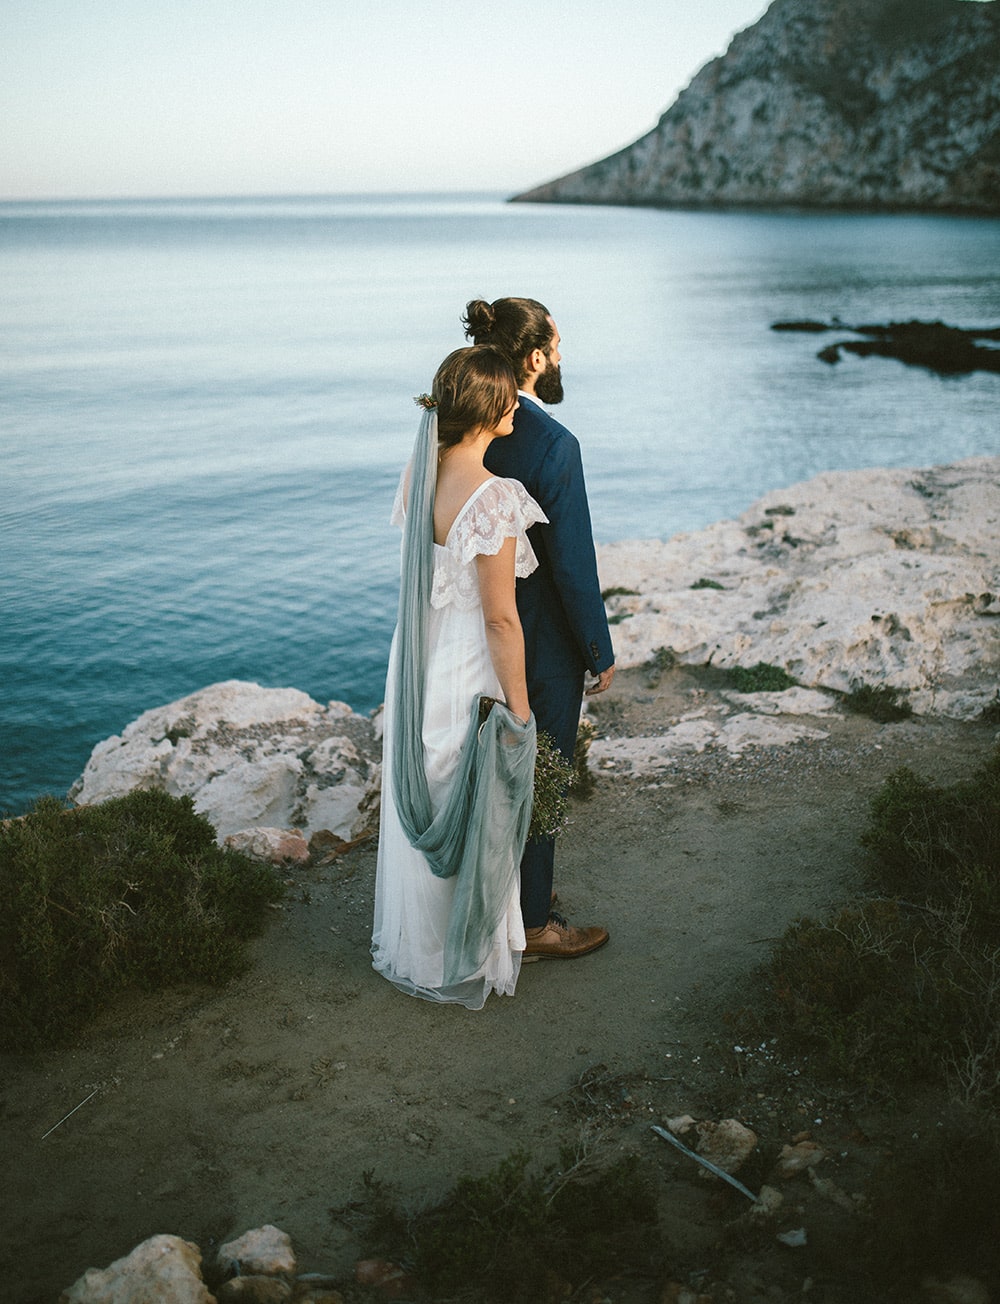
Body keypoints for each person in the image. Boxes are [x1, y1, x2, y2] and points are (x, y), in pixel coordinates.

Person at [371, 346, 548, 1008]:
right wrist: (522, 711)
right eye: (508, 397)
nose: (515, 406)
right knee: (474, 803)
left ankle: (420, 951)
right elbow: (502, 621)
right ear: (491, 406)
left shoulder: (420, 472)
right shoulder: (494, 499)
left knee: (429, 791)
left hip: (416, 660)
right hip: (469, 662)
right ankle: (463, 953)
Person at [463, 297, 615, 960]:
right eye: (556, 345)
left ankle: (506, 895)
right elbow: (573, 563)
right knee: (540, 771)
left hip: (465, 633)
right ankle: (534, 923)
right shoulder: (554, 444)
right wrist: (597, 649)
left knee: (485, 772)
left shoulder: (457, 427)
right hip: (539, 637)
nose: (561, 356)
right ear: (533, 357)